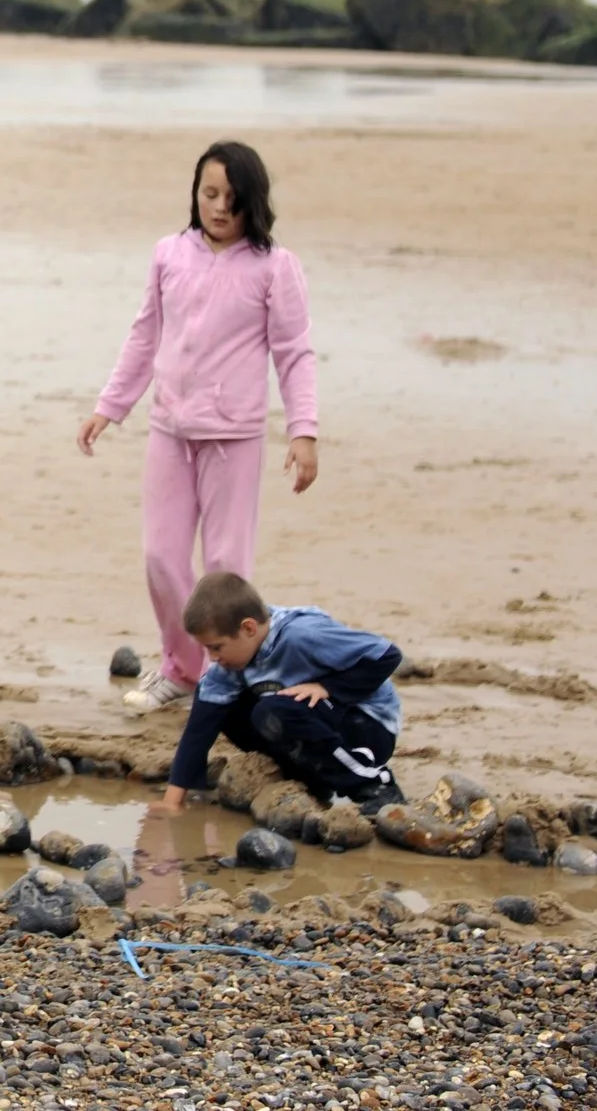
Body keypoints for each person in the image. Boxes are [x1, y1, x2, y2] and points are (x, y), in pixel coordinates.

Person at [79, 140, 319, 714]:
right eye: (209, 194)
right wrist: (111, 405)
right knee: (162, 558)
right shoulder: (169, 255)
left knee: (226, 569)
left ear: (252, 204)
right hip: (170, 430)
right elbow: (145, 335)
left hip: (233, 436)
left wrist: (303, 430)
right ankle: (181, 668)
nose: (218, 208)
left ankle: (228, 676)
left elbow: (294, 353)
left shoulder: (274, 267)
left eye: (232, 200)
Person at [153, 571, 403, 819]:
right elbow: (199, 727)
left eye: (216, 647)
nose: (213, 658)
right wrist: (173, 801)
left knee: (273, 712)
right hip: (313, 721)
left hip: (367, 727)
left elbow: (387, 655)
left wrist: (328, 687)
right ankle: (312, 778)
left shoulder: (304, 635)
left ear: (248, 628)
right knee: (221, 705)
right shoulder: (228, 666)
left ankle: (373, 785)